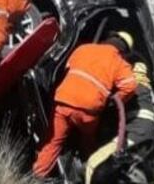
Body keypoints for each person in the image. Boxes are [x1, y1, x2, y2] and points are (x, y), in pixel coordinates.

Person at [32, 32, 138, 178]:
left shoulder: (84, 48)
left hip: (64, 101)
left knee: (52, 143)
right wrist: (112, 102)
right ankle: (89, 171)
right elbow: (130, 86)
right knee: (88, 142)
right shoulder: (119, 62)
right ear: (123, 51)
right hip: (88, 111)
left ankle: (36, 177)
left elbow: (67, 68)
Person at [83, 61, 154, 184]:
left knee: (93, 162)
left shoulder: (126, 81)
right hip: (142, 128)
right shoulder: (140, 81)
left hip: (137, 130)